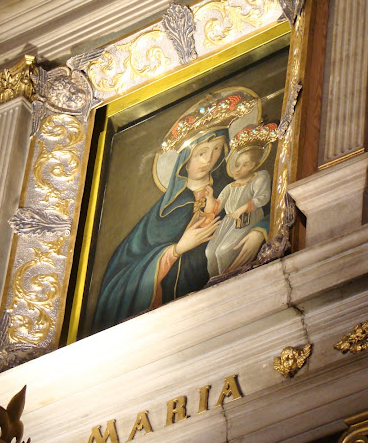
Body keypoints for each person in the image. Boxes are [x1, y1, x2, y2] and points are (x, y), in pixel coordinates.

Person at [92, 120, 268, 333]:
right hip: (178, 321)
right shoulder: (165, 211)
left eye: (217, 149)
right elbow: (121, 274)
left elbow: (268, 206)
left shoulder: (231, 188)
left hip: (240, 299)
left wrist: (259, 231)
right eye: (201, 153)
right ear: (185, 159)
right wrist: (176, 249)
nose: (209, 159)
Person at [205, 145, 271, 277]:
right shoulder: (230, 187)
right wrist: (209, 197)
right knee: (210, 252)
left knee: (223, 251)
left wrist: (245, 207)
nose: (238, 169)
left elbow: (263, 197)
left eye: (245, 165)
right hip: (228, 222)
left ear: (254, 165)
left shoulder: (260, 177)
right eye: (237, 165)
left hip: (247, 219)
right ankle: (215, 280)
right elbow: (217, 207)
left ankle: (228, 278)